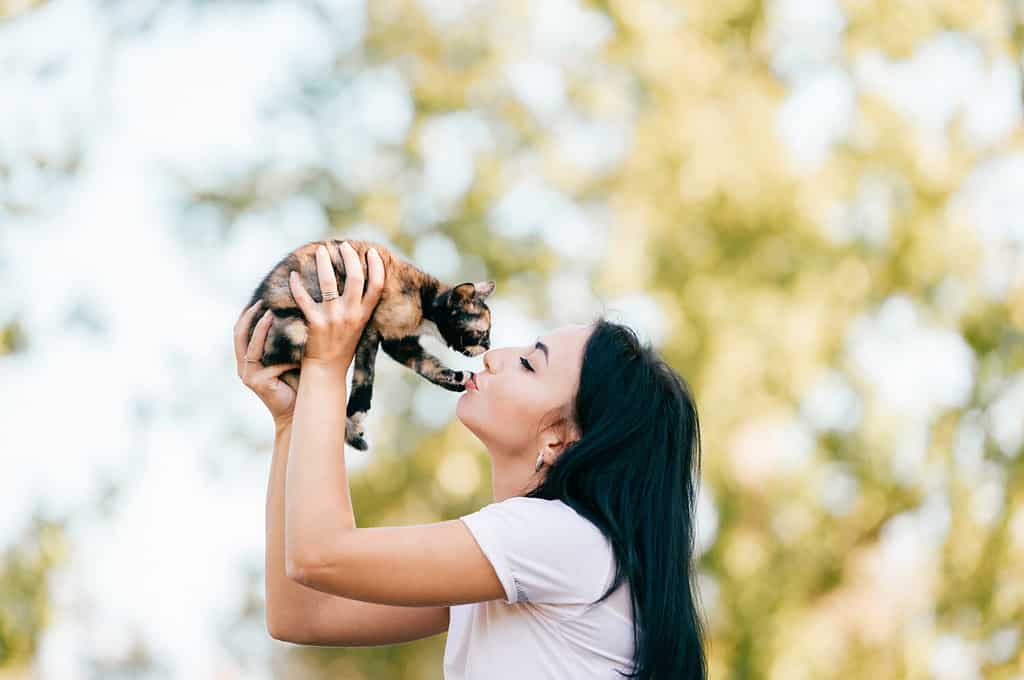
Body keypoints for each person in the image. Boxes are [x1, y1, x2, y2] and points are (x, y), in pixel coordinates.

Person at [234, 241, 708, 680]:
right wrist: (293, 422)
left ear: (560, 439)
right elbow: (303, 613)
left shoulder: (558, 540)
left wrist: (325, 365)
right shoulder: (519, 567)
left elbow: (319, 556)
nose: (495, 357)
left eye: (529, 363)